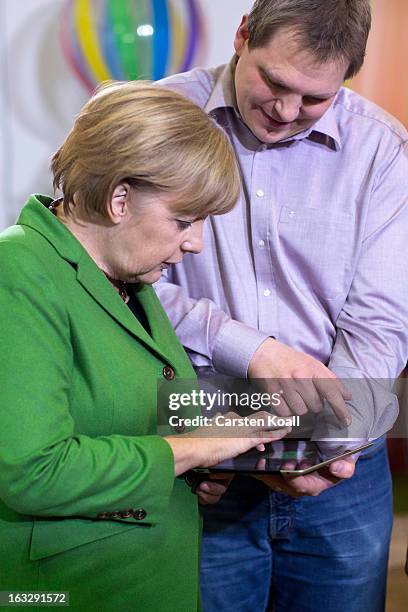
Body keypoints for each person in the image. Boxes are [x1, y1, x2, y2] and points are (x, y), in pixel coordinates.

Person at [156, 1, 408, 610]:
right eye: (274, 82)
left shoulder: (383, 150)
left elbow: (380, 321)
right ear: (243, 35)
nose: (288, 112)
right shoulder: (159, 118)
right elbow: (119, 285)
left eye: (316, 98)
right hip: (197, 453)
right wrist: (252, 349)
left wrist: (314, 444)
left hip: (341, 465)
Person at [0, 81, 288, 611]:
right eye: (184, 220)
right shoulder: (17, 270)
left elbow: (122, 419)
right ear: (119, 198)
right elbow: (31, 470)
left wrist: (199, 468)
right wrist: (199, 447)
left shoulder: (130, 278)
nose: (195, 242)